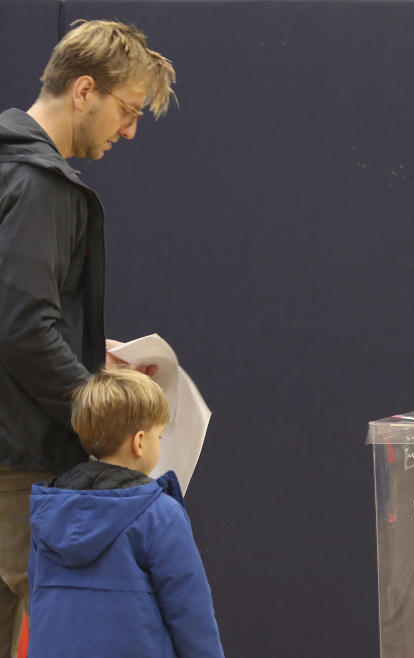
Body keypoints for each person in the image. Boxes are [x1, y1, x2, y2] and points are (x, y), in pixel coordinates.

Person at [0, 19, 174, 655]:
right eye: (126, 111)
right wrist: (99, 405)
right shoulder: (43, 184)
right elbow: (20, 328)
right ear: (83, 90)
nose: (127, 131)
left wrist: (82, 351)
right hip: (18, 463)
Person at [27, 368, 224, 657]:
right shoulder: (160, 513)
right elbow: (190, 612)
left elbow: (38, 595)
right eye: (160, 436)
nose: (159, 444)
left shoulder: (48, 510)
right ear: (140, 442)